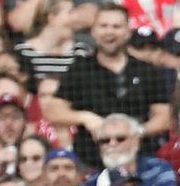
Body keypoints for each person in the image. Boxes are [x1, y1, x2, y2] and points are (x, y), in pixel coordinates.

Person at [42, 2, 169, 169]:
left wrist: (137, 131)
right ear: (93, 31)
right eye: (103, 26)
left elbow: (163, 118)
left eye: (116, 26)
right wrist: (85, 117)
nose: (109, 31)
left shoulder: (148, 71)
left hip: (139, 162)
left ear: (127, 32)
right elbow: (53, 111)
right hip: (90, 164)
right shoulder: (79, 69)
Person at [80, 113, 179, 186]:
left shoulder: (159, 169)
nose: (112, 144)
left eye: (120, 139)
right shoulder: (92, 182)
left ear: (136, 140)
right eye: (105, 140)